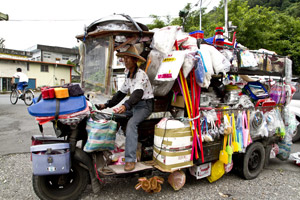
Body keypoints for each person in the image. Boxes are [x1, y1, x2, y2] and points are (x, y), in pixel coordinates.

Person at [96, 45, 154, 171]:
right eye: (124, 58)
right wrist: (106, 105)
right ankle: (113, 152)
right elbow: (121, 93)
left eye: (128, 58)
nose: (125, 60)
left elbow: (137, 93)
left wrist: (125, 106)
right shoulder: (128, 74)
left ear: (135, 60)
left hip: (145, 105)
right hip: (134, 104)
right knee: (115, 118)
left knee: (132, 124)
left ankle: (130, 159)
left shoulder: (140, 75)